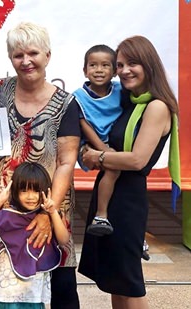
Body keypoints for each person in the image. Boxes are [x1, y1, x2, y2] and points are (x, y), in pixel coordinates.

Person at [0, 21, 81, 308]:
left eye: (33, 53)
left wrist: (47, 212)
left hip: (49, 204)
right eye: (18, 55)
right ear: (10, 59)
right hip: (5, 206)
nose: (26, 61)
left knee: (61, 285)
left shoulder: (67, 103)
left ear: (48, 56)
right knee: (9, 283)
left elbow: (67, 163)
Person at [78, 36, 180, 309]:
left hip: (127, 202)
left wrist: (97, 155)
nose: (124, 70)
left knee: (129, 283)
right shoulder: (129, 103)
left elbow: (137, 160)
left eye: (132, 63)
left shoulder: (156, 106)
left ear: (149, 65)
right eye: (120, 64)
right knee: (115, 281)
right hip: (110, 196)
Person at [0, 162, 69, 308]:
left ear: (45, 190)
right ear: (15, 191)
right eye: (24, 190)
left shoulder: (48, 219)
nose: (30, 196)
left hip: (33, 296)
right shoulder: (8, 215)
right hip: (3, 294)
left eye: (36, 191)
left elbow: (64, 240)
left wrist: (52, 212)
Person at [73, 44, 122, 236]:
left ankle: (136, 233)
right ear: (85, 71)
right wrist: (102, 149)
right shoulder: (79, 96)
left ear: (115, 71)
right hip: (90, 145)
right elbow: (83, 123)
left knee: (128, 181)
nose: (99, 70)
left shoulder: (120, 90)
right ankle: (101, 215)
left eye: (105, 65)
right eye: (93, 65)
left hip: (114, 143)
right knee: (114, 167)